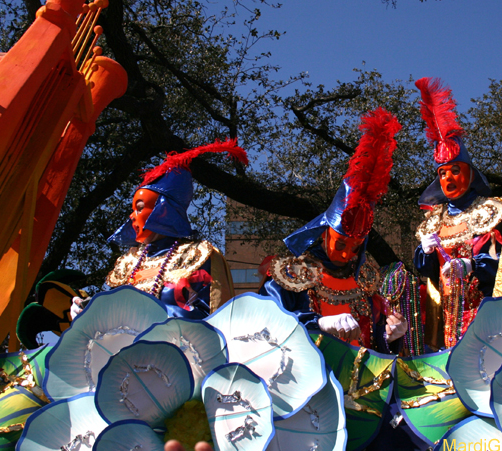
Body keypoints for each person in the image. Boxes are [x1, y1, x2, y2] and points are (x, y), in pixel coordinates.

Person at [259, 108, 407, 350]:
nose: (347, 255)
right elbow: (266, 323)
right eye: (340, 243)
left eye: (355, 247)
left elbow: (372, 339)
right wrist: (316, 324)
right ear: (325, 232)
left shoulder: (365, 281)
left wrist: (390, 336)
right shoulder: (293, 274)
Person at [411, 77, 502, 349]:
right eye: (442, 173)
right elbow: (428, 274)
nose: (448, 178)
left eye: (455, 171)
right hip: (444, 318)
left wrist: (472, 265)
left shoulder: (489, 211)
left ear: (469, 173)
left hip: (482, 315)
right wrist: (426, 253)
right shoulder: (434, 221)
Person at [92, 140, 245, 319]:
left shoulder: (197, 256)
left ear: (163, 211)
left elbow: (215, 318)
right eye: (133, 209)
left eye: (139, 208)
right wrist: (90, 310)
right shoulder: (129, 262)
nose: (132, 216)